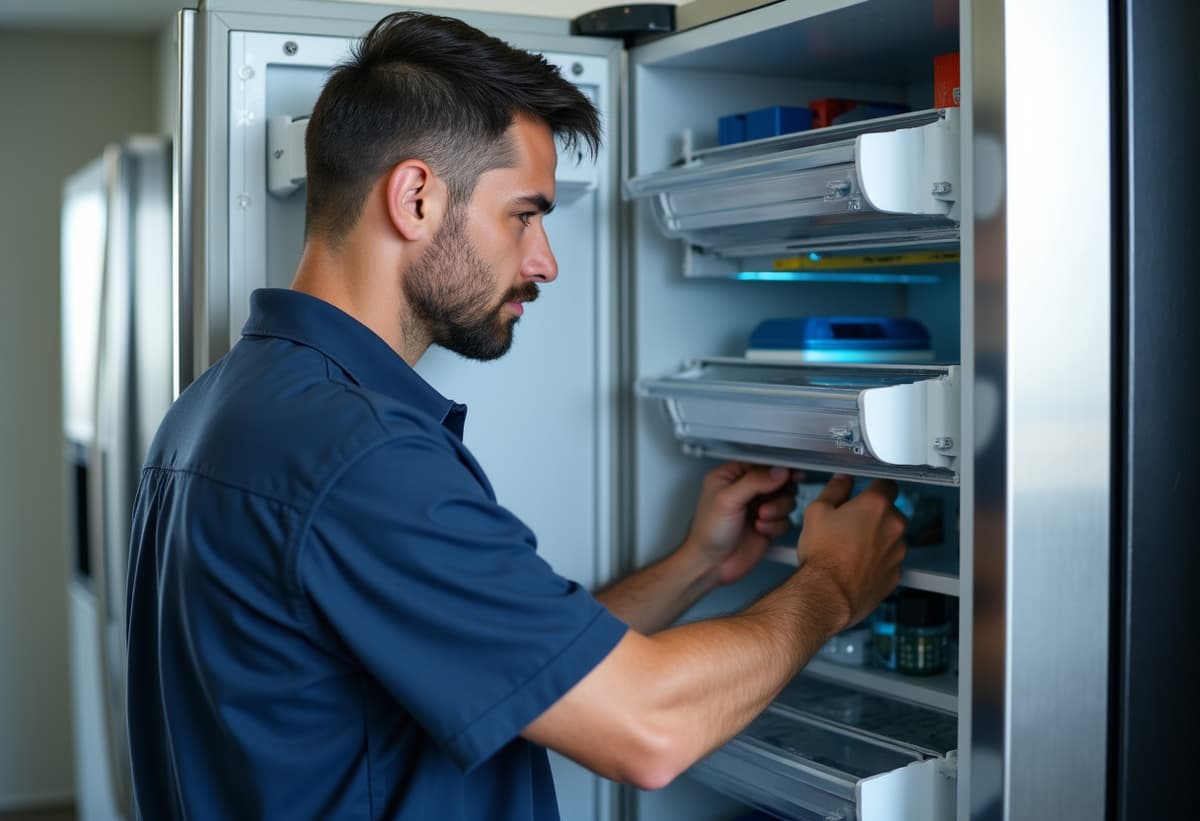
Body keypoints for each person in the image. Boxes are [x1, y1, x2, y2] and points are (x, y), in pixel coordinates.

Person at [124, 11, 907, 821]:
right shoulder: (360, 456)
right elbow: (648, 727)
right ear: (417, 197)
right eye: (524, 214)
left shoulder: (219, 406)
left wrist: (698, 564)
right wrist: (832, 585)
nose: (545, 261)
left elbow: (509, 663)